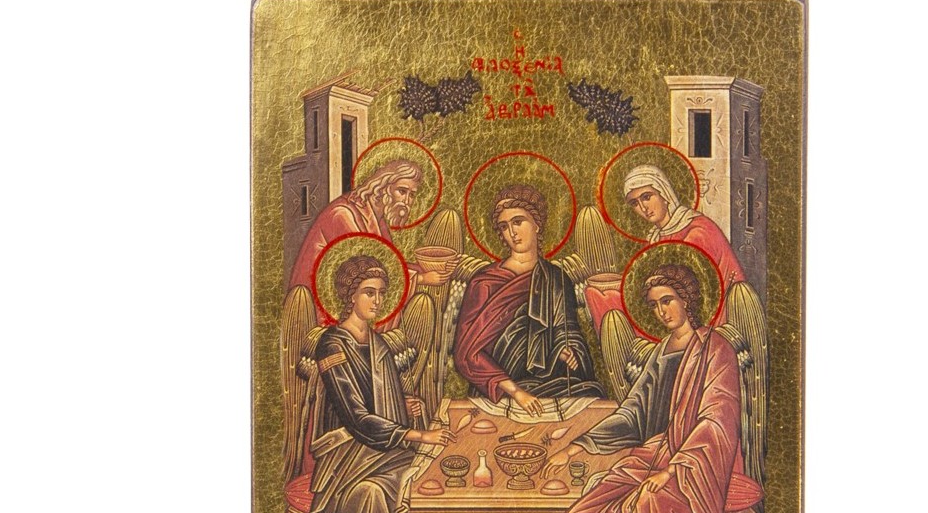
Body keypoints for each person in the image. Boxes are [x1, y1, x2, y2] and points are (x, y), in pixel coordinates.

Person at [543, 263, 761, 513]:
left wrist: (672, 469)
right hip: (655, 455)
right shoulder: (661, 351)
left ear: (687, 300)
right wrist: (576, 448)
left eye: (668, 300)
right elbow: (633, 413)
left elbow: (716, 422)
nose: (661, 311)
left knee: (640, 504)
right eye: (655, 304)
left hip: (701, 468)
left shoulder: (715, 349)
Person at [310, 253, 452, 513]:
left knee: (420, 484)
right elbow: (355, 416)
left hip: (387, 450)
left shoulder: (379, 344)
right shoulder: (331, 346)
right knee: (371, 495)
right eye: (368, 292)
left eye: (381, 293)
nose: (377, 301)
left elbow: (380, 401)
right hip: (346, 458)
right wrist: (418, 436)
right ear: (349, 296)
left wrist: (404, 405)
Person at [453, 183, 603, 416]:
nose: (512, 232)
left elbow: (568, 332)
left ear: (536, 224)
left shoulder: (556, 278)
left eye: (518, 221)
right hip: (501, 389)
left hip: (550, 381)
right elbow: (466, 354)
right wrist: (515, 391)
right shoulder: (484, 282)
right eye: (504, 226)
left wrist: (566, 350)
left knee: (590, 394)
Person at [621, 164, 746, 324]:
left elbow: (691, 285)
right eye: (635, 203)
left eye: (647, 197)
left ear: (664, 193)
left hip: (719, 317)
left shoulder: (698, 230)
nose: (643, 207)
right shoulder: (655, 237)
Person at [289, 158, 432, 291]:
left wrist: (424, 269)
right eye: (402, 191)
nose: (406, 201)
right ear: (384, 187)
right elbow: (367, 267)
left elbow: (391, 263)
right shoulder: (343, 214)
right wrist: (420, 278)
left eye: (411, 195)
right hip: (318, 295)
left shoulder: (378, 221)